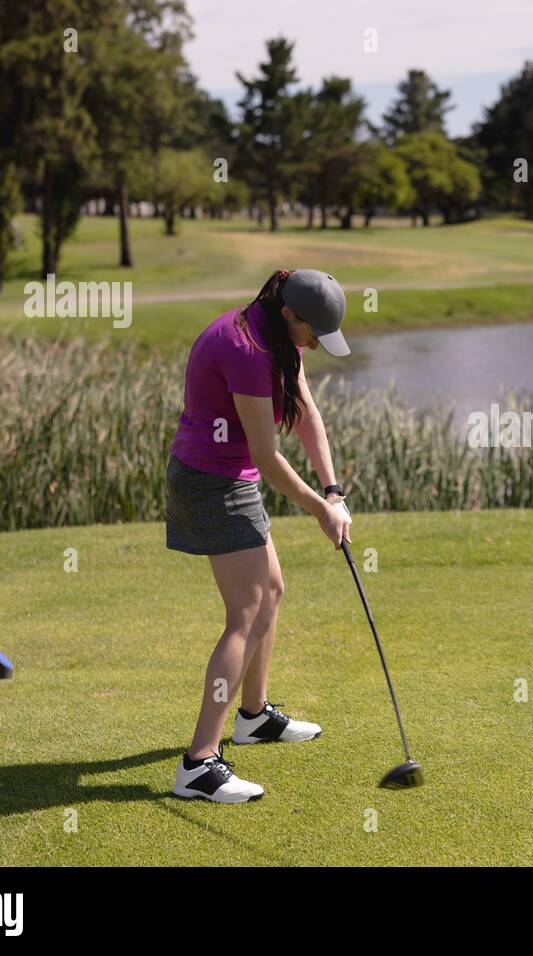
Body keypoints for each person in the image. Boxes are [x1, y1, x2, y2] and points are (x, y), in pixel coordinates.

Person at [165, 268, 352, 803]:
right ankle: (198, 764)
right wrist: (319, 511)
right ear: (289, 313)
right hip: (209, 483)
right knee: (244, 616)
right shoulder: (246, 349)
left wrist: (333, 490)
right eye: (313, 332)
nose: (314, 344)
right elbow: (268, 457)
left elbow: (307, 414)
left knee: (271, 592)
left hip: (231, 477)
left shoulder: (278, 337)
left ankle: (253, 717)